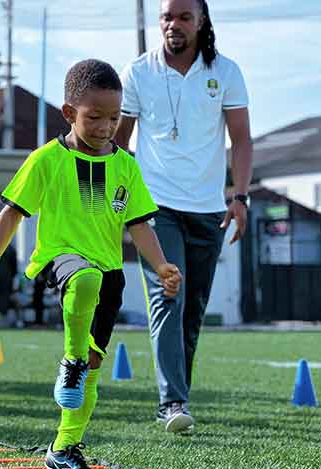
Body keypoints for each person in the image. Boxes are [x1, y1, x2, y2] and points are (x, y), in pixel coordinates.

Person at [0, 59, 182, 469]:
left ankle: (65, 447)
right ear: (70, 114)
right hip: (60, 259)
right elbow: (11, 213)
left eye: (114, 118)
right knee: (84, 285)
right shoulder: (46, 159)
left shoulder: (125, 164)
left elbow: (138, 224)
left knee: (94, 367)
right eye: (95, 117)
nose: (106, 126)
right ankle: (71, 359)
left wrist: (160, 265)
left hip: (110, 274)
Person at [115, 0, 253, 433]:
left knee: (192, 310)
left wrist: (241, 197)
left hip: (209, 209)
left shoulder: (226, 72)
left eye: (183, 17)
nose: (173, 24)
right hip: (156, 208)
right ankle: (171, 402)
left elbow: (242, 140)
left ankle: (178, 398)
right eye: (166, 17)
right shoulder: (138, 71)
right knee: (168, 297)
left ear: (201, 21)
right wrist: (120, 202)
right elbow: (119, 143)